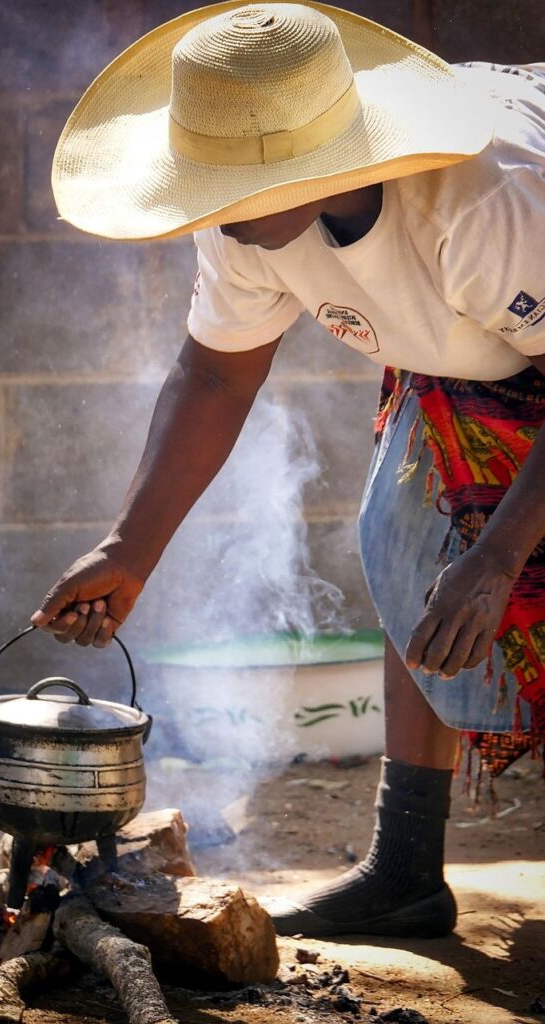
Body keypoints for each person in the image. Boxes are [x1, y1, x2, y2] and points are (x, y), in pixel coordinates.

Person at [31, 3, 545, 938]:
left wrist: (500, 555)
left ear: (329, 167)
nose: (215, 212)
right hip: (476, 353)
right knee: (406, 550)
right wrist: (128, 548)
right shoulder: (241, 224)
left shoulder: (481, 204)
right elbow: (216, 373)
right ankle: (406, 870)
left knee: (484, 574)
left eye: (239, 188)